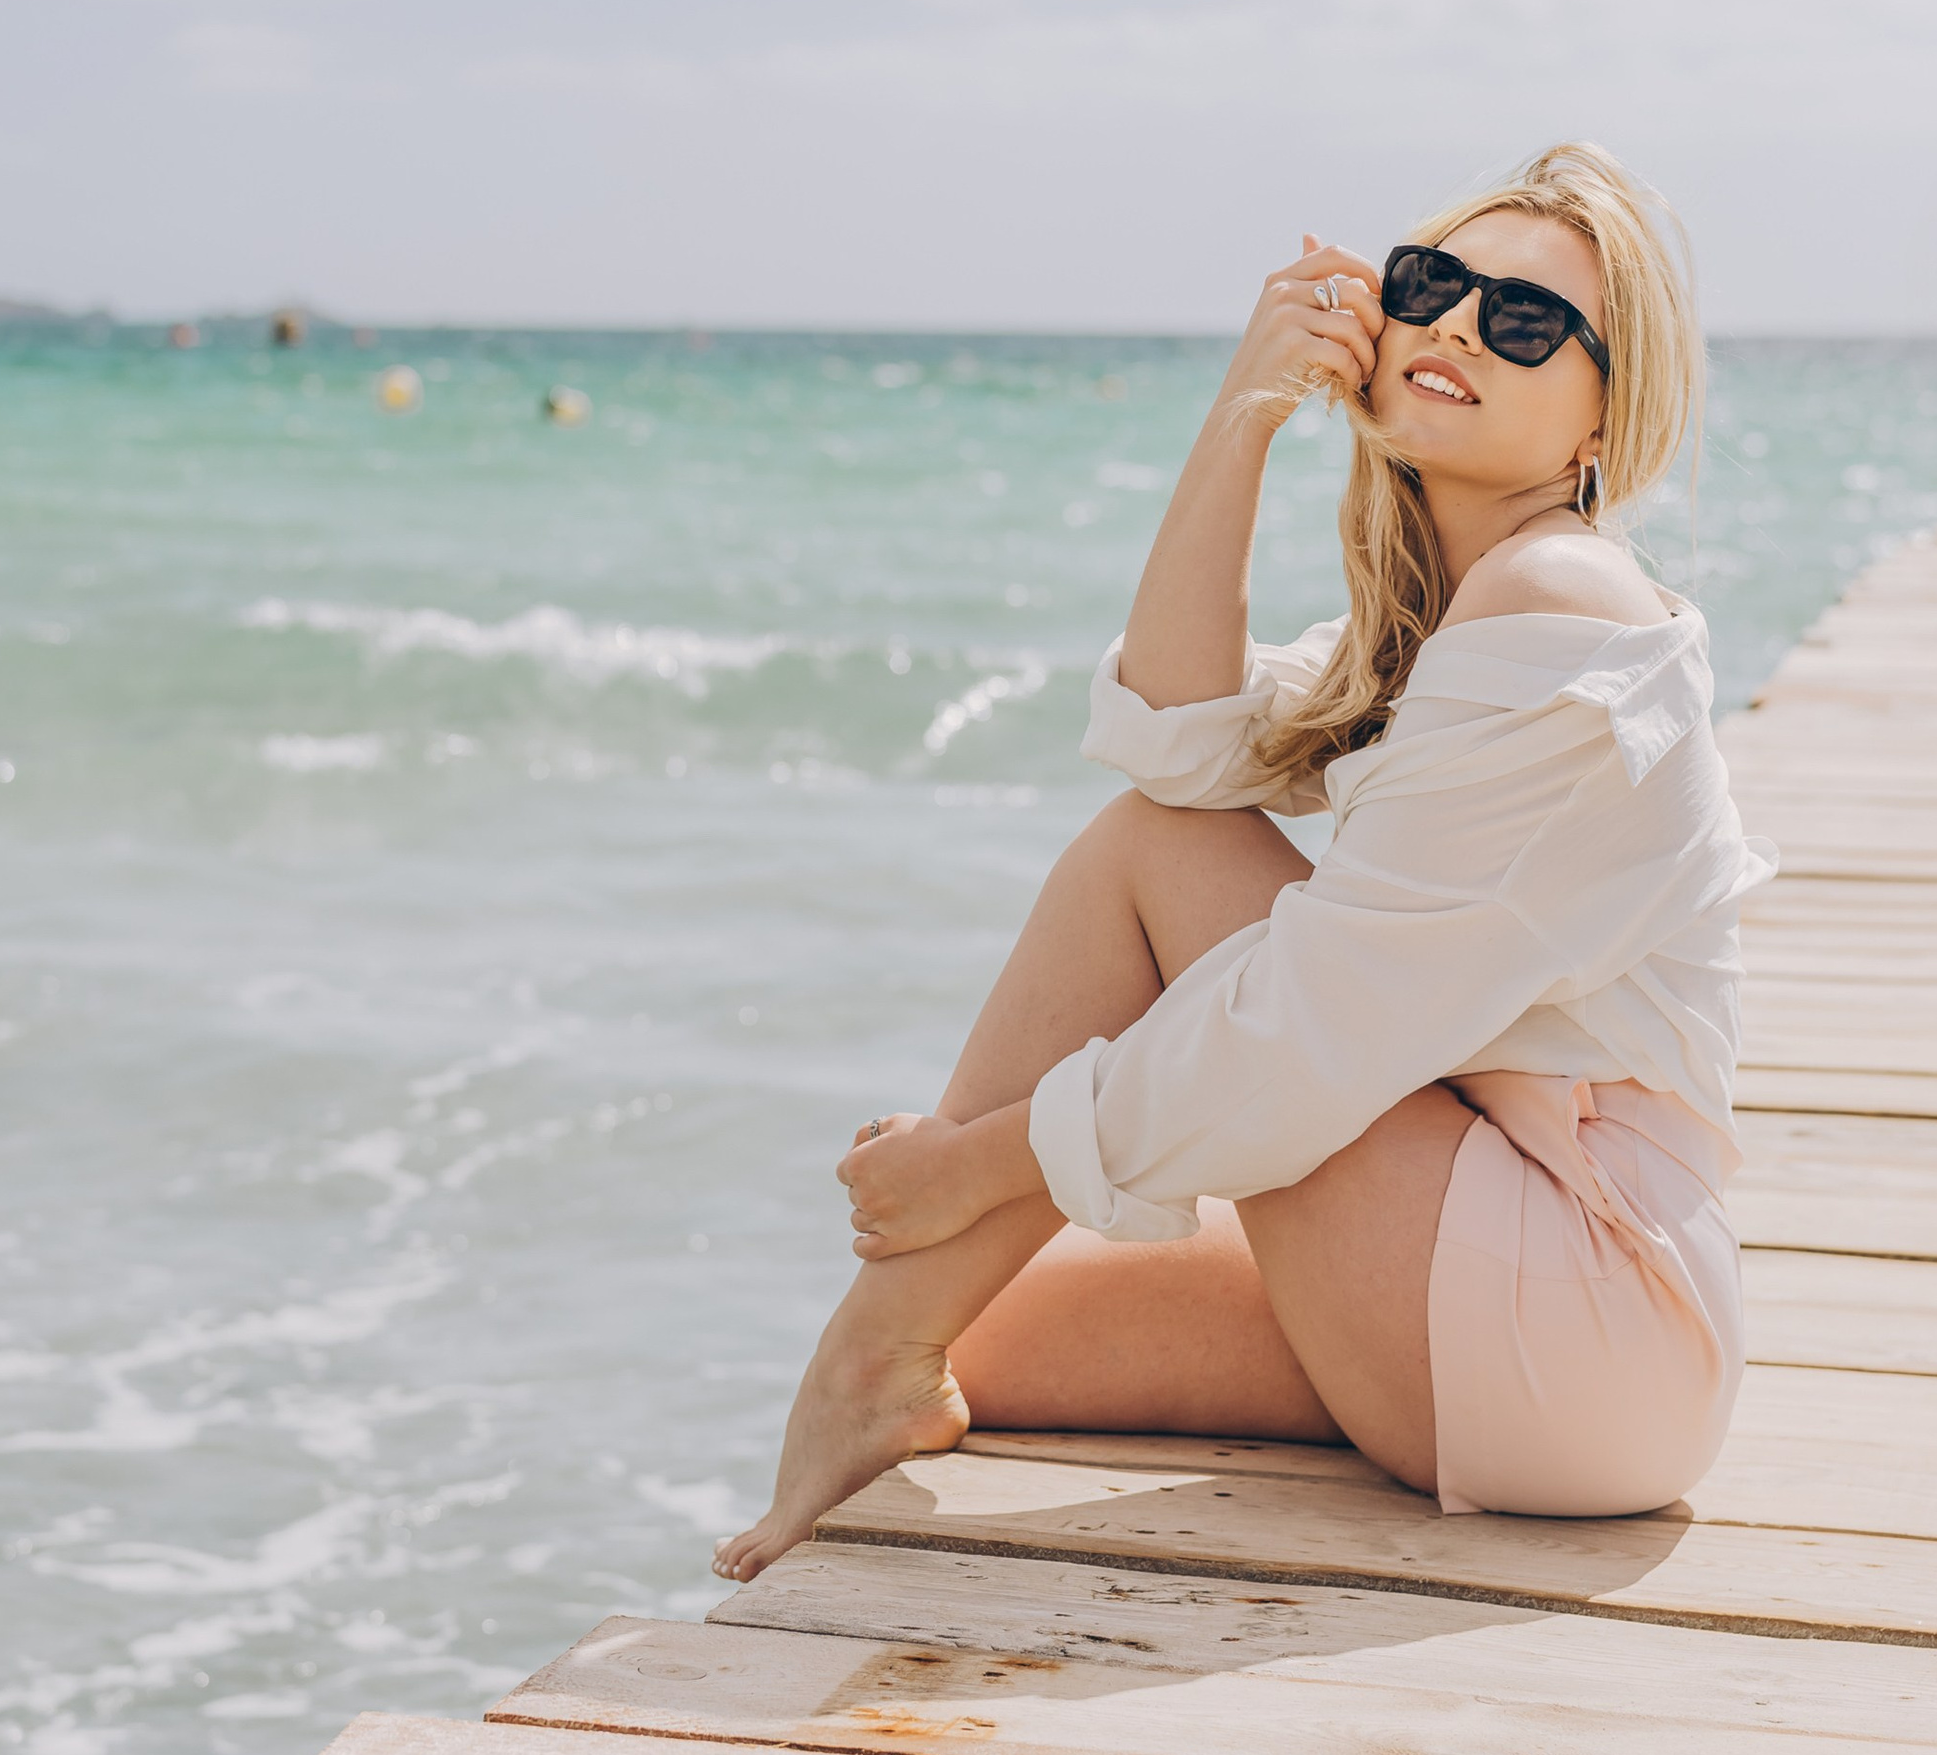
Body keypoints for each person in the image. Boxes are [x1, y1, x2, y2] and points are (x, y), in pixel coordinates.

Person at [715, 142, 1770, 1585]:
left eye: (1526, 323)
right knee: (996, 1328)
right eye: (1433, 286)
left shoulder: (1561, 605)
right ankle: (896, 1353)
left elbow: (1302, 1027)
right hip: (1535, 1321)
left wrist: (974, 1165)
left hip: (1580, 1315)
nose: (1461, 326)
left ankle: (865, 1361)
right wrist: (1246, 414)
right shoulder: (1453, 618)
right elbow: (1173, 736)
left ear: (1604, 418)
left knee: (1151, 867)